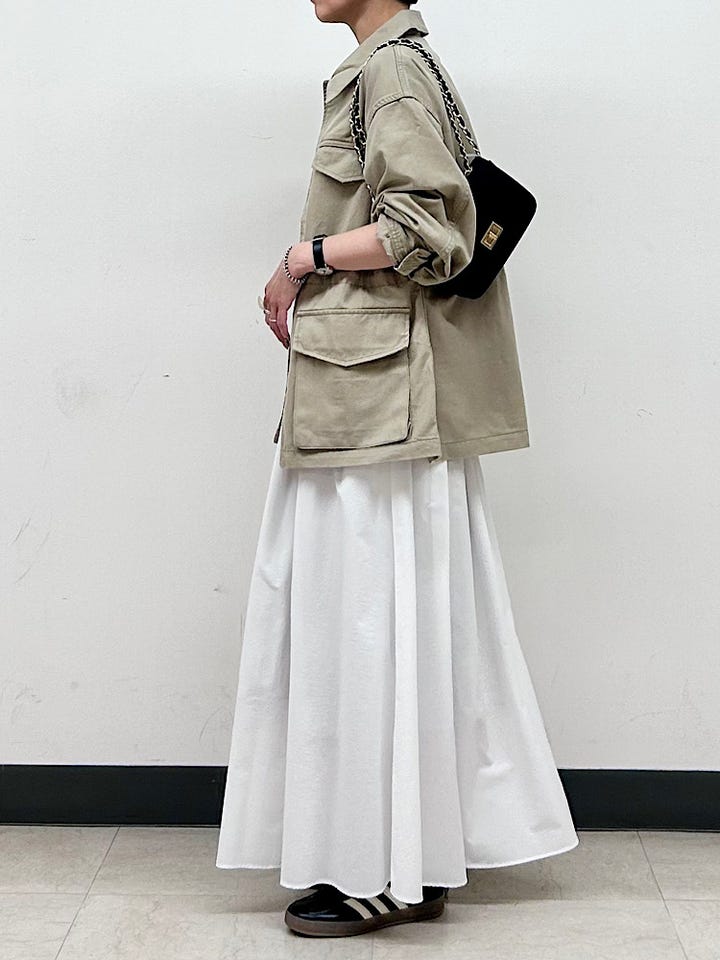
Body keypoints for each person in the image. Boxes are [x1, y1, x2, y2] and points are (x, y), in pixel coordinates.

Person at [216, 0, 579, 939]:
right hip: (372, 397)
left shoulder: (390, 71)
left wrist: (301, 259)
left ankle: (390, 869)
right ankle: (403, 857)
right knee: (380, 630)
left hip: (382, 404)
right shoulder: (392, 66)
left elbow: (428, 233)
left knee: (370, 627)